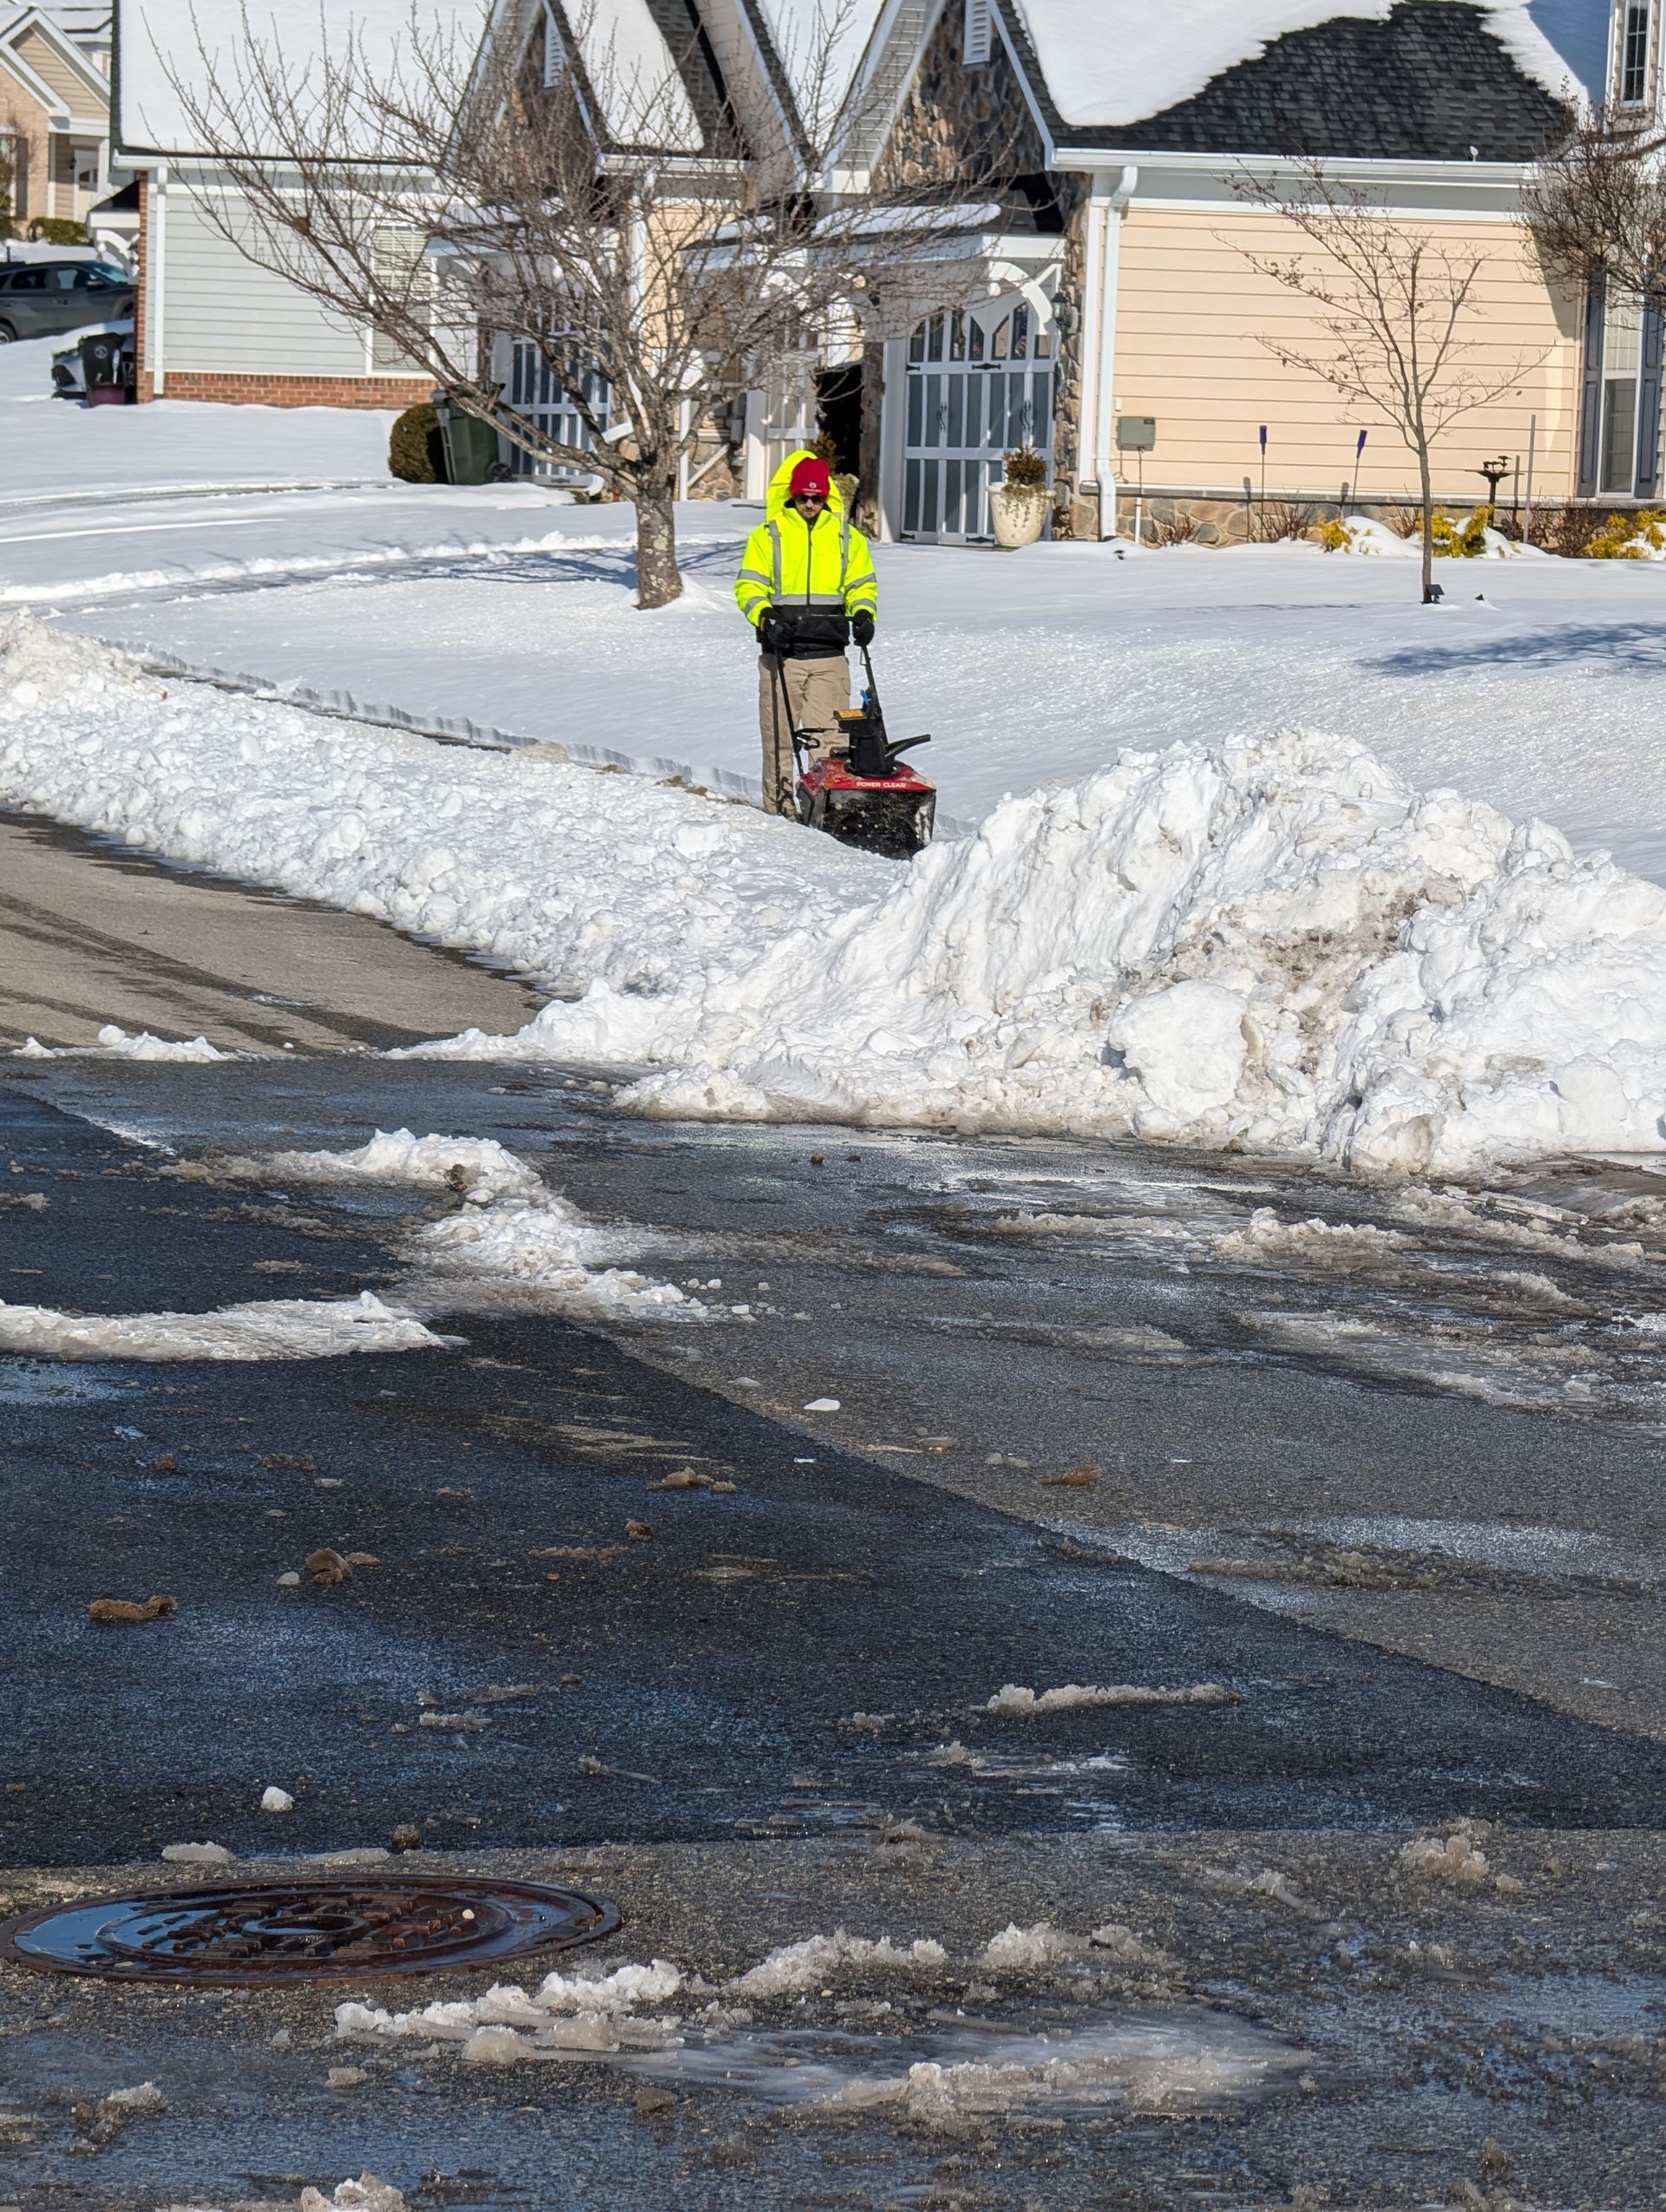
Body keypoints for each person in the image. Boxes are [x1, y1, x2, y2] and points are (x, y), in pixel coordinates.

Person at [734, 450, 878, 817]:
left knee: (831, 741)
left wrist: (863, 613)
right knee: (779, 739)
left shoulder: (848, 539)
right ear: (792, 496)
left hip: (830, 655)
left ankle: (827, 812)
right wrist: (766, 617)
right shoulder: (768, 536)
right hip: (782, 656)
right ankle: (780, 811)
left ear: (826, 496)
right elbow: (748, 588)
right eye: (803, 497)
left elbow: (861, 585)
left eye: (817, 497)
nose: (810, 504)